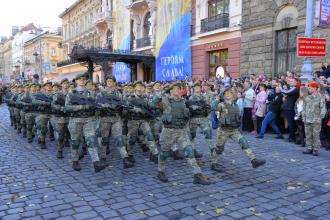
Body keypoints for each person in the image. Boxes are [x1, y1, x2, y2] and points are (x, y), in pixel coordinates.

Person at [153, 82, 211, 185]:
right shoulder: (165, 101)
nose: (177, 90)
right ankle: (160, 171)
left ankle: (197, 175)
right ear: (170, 90)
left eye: (179, 89)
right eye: (174, 88)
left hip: (181, 131)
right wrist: (160, 92)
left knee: (189, 151)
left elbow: (189, 114)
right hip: (168, 132)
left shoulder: (184, 101)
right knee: (164, 154)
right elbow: (153, 103)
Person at [211, 88, 266, 172]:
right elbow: (213, 108)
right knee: (219, 148)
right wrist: (217, 99)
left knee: (244, 142)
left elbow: (238, 118)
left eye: (230, 93)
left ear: (233, 95)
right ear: (223, 96)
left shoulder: (235, 105)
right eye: (226, 93)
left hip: (234, 130)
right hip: (223, 131)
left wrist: (239, 129)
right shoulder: (221, 105)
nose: (228, 94)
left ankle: (253, 160)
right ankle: (213, 164)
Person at [65, 73, 106, 172]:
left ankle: (96, 163)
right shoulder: (71, 93)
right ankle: (75, 161)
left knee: (91, 141)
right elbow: (67, 107)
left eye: (83, 79)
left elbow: (96, 104)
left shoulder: (90, 93)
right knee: (75, 142)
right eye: (79, 79)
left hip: (88, 120)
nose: (82, 81)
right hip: (75, 120)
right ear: (76, 81)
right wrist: (81, 107)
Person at [302, 82, 327, 156]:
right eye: (309, 87)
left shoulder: (320, 97)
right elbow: (304, 108)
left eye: (310, 87)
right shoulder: (307, 97)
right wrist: (304, 117)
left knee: (315, 135)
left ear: (315, 88)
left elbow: (323, 108)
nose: (309, 89)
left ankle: (316, 149)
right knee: (308, 134)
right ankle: (309, 148)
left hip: (316, 119)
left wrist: (320, 117)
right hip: (307, 119)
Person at [281, 78, 299, 142]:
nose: (290, 82)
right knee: (290, 123)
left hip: (290, 109)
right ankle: (291, 136)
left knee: (291, 124)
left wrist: (280, 88)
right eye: (290, 81)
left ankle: (292, 137)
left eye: (292, 81)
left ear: (296, 82)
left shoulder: (295, 89)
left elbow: (286, 92)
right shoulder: (291, 88)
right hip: (287, 108)